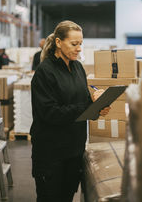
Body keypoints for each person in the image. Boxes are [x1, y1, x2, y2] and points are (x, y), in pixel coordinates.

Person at [30, 20, 110, 202]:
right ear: (58, 42)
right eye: (74, 44)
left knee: (66, 196)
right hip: (51, 152)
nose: (79, 48)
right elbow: (51, 113)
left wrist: (97, 107)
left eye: (81, 43)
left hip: (74, 149)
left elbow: (81, 102)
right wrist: (87, 106)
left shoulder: (78, 68)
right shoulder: (45, 72)